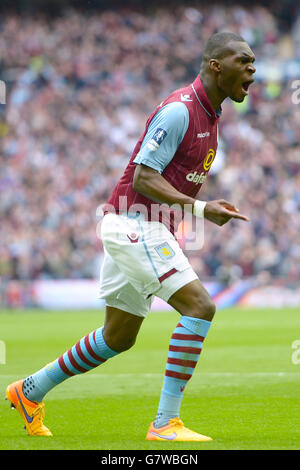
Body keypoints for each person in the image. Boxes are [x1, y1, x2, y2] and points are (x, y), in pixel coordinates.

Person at [6, 32, 256, 441]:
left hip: (145, 225)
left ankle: (29, 391)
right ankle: (165, 423)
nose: (252, 70)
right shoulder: (180, 111)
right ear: (216, 64)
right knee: (200, 307)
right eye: (244, 61)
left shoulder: (211, 117)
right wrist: (201, 209)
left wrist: (203, 206)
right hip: (134, 223)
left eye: (254, 63)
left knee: (117, 337)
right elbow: (143, 175)